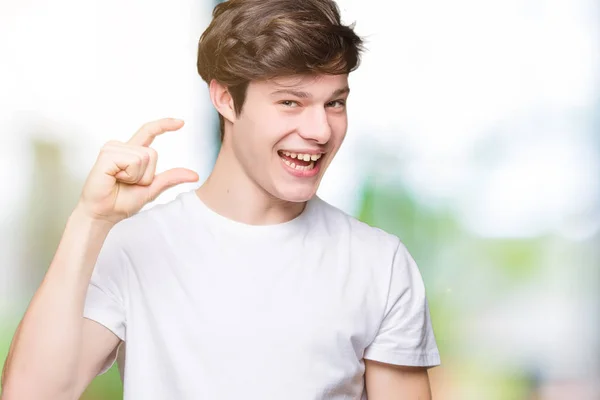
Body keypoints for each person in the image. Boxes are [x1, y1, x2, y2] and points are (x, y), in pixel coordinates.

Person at [1, 0, 440, 398]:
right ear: (226, 99)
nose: (320, 131)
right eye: (291, 102)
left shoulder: (379, 264)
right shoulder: (135, 247)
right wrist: (90, 219)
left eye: (335, 104)